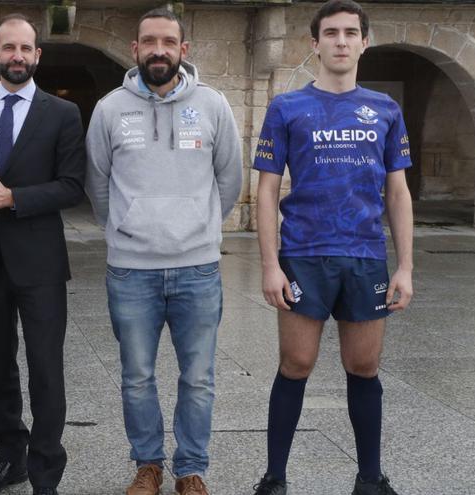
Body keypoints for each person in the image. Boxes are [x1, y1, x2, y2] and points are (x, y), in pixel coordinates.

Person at [250, 2, 413, 494]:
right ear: (314, 43)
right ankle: (275, 478)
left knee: (363, 366)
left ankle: (370, 478)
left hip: (365, 256)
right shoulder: (286, 108)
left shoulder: (385, 109)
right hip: (304, 254)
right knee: (295, 364)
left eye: (350, 33)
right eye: (331, 33)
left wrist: (405, 266)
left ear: (364, 42)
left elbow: (398, 191)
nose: (341, 41)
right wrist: (270, 265)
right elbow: (266, 189)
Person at [85, 8, 242, 495]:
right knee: (136, 377)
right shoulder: (110, 108)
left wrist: (198, 225)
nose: (159, 49)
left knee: (198, 378)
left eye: (168, 42)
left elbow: (230, 179)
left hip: (197, 268)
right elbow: (98, 183)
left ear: (183, 50)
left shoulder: (213, 105)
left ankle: (191, 469)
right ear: (135, 50)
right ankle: (148, 465)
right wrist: (131, 227)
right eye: (149, 41)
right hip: (132, 272)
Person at [0, 13, 85, 495]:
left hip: (41, 262)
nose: (17, 56)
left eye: (25, 48)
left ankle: (46, 471)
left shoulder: (62, 114)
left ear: (37, 56)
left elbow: (72, 186)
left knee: (45, 366)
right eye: (8, 48)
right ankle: (9, 458)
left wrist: (14, 198)